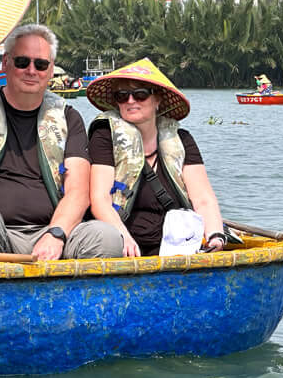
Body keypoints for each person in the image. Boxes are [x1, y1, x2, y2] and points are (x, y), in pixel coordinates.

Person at [0, 25, 120, 260]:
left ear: (51, 69)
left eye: (41, 64)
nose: (31, 71)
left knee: (106, 237)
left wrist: (56, 234)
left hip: (50, 230)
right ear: (6, 63)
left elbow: (78, 191)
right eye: (22, 62)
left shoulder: (67, 116)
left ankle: (74, 297)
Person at [84, 59, 226, 259]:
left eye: (140, 94)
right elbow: (99, 199)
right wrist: (123, 236)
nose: (131, 101)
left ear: (157, 100)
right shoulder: (104, 135)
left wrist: (215, 236)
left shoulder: (182, 140)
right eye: (122, 96)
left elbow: (203, 199)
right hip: (123, 245)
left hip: (177, 245)